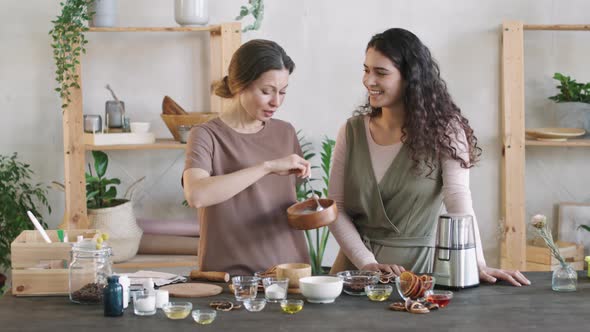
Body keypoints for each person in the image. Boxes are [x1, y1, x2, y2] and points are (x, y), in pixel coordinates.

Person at [328, 28, 530, 286]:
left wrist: (476, 261)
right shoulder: (351, 130)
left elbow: (458, 199)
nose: (369, 81)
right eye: (366, 70)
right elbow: (336, 207)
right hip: (355, 273)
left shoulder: (446, 130)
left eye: (381, 73)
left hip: (417, 273)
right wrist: (366, 263)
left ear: (410, 77)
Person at [183, 39, 311, 276]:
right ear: (239, 85)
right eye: (266, 91)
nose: (276, 101)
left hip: (288, 274)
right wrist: (267, 167)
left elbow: (276, 203)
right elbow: (197, 195)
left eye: (282, 92)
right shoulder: (206, 135)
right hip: (230, 278)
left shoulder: (285, 132)